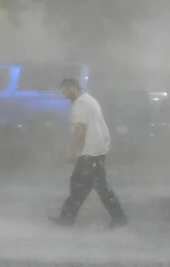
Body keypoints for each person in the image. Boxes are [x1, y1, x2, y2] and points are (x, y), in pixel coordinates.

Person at [50, 78, 127, 228]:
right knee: (84, 184)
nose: (65, 96)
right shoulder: (89, 99)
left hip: (91, 151)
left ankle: (119, 220)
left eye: (65, 91)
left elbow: (80, 129)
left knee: (89, 186)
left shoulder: (81, 103)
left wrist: (70, 149)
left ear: (72, 87)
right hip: (95, 149)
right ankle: (68, 217)